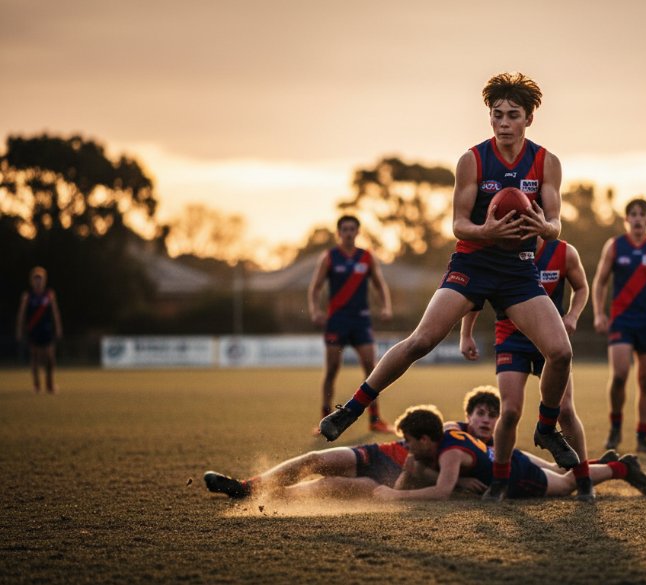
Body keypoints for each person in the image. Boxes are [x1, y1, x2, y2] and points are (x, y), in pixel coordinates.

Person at [319, 72, 579, 473]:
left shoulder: (547, 162)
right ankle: (353, 407)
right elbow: (458, 224)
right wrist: (487, 231)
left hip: (518, 270)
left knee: (560, 352)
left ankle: (546, 428)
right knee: (421, 340)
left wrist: (544, 228)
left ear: (529, 119)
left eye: (513, 115)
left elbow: (556, 223)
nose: (504, 122)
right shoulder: (473, 159)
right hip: (473, 263)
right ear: (489, 117)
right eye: (497, 115)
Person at [459, 238, 595, 501]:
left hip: (549, 340)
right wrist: (466, 334)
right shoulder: (498, 248)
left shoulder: (564, 252)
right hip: (512, 340)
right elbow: (475, 293)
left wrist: (572, 315)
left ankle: (584, 478)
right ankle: (500, 481)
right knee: (509, 412)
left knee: (565, 411)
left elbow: (581, 287)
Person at [203, 386, 502, 500]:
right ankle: (246, 487)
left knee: (324, 487)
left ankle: (262, 498)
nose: (485, 421)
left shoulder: (490, 456)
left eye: (492, 416)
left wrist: (458, 484)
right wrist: (458, 484)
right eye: (480, 414)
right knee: (314, 462)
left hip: (388, 480)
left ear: (502, 421)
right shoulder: (450, 429)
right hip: (379, 454)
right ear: (469, 415)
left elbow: (429, 476)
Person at [371, 405, 646, 502]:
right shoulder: (445, 430)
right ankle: (602, 465)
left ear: (425, 438)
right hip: (505, 458)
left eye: (409, 440)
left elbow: (441, 492)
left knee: (568, 483)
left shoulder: (450, 454)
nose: (406, 446)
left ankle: (624, 468)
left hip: (518, 475)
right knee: (561, 472)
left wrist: (396, 496)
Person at [592, 198, 646, 453]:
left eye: (642, 214)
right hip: (622, 319)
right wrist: (599, 314)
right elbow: (599, 282)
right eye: (633, 214)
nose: (638, 218)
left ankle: (643, 437)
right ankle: (615, 430)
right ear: (627, 219)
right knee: (620, 375)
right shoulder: (615, 246)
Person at [308, 215, 394, 434]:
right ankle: (324, 418)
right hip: (336, 321)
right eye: (344, 229)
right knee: (332, 370)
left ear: (357, 232)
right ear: (339, 233)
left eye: (352, 229)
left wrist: (386, 306)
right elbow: (315, 287)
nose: (348, 232)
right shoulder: (329, 257)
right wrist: (315, 310)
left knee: (371, 370)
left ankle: (375, 419)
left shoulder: (366, 257)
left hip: (361, 320)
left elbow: (379, 284)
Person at [15, 267, 63, 394]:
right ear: (32, 281)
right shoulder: (28, 296)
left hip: (46, 330)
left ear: (44, 281)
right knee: (35, 358)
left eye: (40, 280)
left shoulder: (49, 295)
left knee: (50, 359)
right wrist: (19, 329)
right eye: (36, 280)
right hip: (33, 329)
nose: (38, 282)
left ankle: (50, 385)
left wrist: (58, 327)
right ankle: (36, 385)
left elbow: (55, 312)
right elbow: (22, 314)